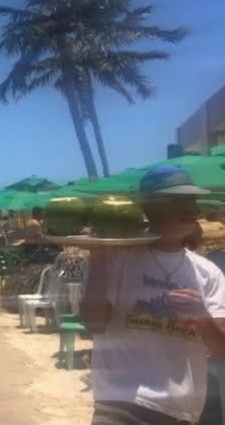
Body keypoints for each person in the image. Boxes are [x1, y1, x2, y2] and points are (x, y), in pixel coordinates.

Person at [82, 165, 225, 424]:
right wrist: (98, 256)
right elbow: (94, 324)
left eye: (191, 200)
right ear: (148, 208)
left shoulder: (208, 273)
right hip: (118, 404)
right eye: (176, 201)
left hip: (180, 412)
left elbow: (221, 349)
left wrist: (202, 317)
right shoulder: (115, 259)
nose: (189, 208)